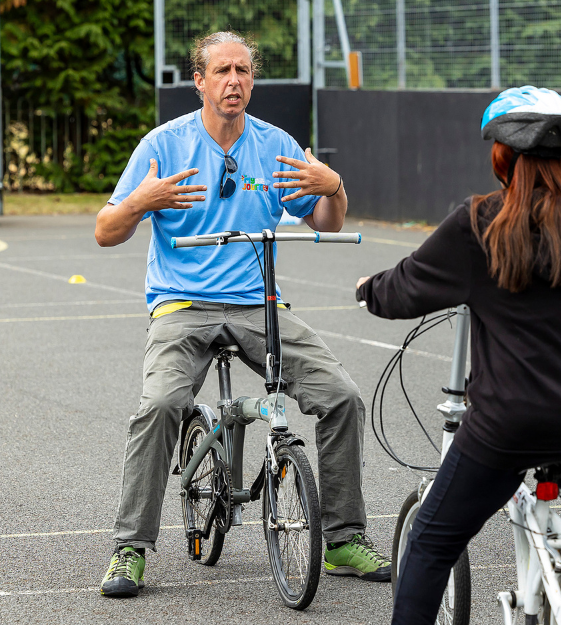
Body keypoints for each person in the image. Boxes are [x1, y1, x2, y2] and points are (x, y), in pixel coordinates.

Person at [95, 31, 390, 598]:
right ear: (199, 81)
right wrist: (140, 202)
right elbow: (106, 231)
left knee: (342, 396)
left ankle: (343, 539)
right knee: (160, 405)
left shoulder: (275, 145)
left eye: (244, 71)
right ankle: (130, 547)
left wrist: (335, 187)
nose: (234, 80)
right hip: (183, 304)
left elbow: (326, 222)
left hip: (258, 304)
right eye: (222, 71)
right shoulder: (163, 145)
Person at [357, 86, 561, 625]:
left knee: (431, 540)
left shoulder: (480, 223)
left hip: (513, 421)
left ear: (502, 155)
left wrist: (368, 289)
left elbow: (406, 288)